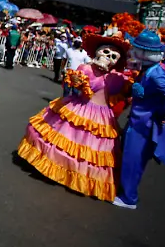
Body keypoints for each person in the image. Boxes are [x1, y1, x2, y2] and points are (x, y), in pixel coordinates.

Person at [17, 32, 132, 201]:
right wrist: (79, 80)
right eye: (106, 52)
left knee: (91, 152)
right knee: (63, 140)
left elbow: (120, 96)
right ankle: (55, 169)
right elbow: (77, 86)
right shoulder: (86, 68)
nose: (108, 57)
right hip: (79, 107)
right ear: (98, 52)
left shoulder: (115, 78)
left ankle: (80, 178)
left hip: (101, 116)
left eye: (114, 56)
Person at [114, 30, 165, 210]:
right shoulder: (148, 70)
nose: (133, 51)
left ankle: (129, 198)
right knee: (129, 157)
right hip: (138, 122)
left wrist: (159, 114)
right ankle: (125, 192)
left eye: (136, 49)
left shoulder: (156, 74)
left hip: (144, 125)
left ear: (145, 53)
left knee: (134, 160)